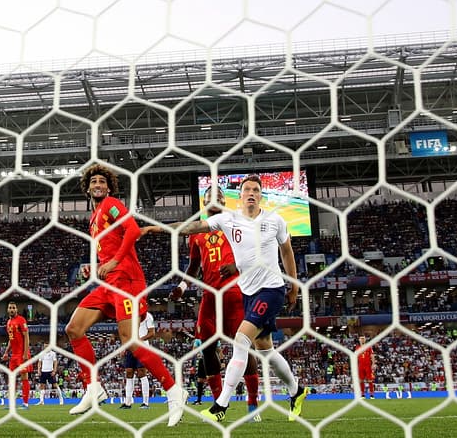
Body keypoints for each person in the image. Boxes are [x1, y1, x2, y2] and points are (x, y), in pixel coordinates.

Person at [179, 173, 308, 423]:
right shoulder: (230, 221)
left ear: (261, 195)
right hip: (248, 292)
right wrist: (161, 228)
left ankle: (221, 405)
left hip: (271, 289)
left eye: (255, 190)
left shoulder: (275, 220)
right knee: (266, 350)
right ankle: (296, 391)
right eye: (247, 189)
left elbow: (287, 252)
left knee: (240, 340)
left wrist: (293, 285)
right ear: (240, 196)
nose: (251, 193)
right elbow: (197, 229)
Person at [64, 163, 186, 425]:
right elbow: (109, 248)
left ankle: (175, 391)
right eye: (93, 182)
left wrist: (115, 262)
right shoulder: (94, 217)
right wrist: (96, 268)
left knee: (131, 342)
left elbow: (131, 229)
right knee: (73, 329)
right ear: (87, 188)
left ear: (108, 187)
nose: (98, 185)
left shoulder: (110, 203)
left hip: (127, 280)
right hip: (108, 284)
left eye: (102, 182)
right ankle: (93, 388)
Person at [170, 185, 260, 418]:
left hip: (234, 292)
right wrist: (181, 287)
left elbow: (254, 252)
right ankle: (220, 405)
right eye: (212, 196)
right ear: (204, 201)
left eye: (220, 196)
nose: (216, 199)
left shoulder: (236, 223)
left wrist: (238, 267)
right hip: (210, 296)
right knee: (207, 349)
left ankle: (253, 405)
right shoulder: (196, 233)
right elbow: (193, 267)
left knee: (243, 347)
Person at [120, 300, 155, 409]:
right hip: (131, 348)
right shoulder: (129, 317)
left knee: (141, 373)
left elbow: (152, 333)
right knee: (129, 372)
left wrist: (139, 339)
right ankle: (128, 402)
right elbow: (126, 334)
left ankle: (145, 402)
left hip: (143, 347)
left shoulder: (148, 316)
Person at [4, 302, 31, 408]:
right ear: (7, 309)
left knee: (24, 377)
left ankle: (25, 403)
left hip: (22, 354)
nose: (11, 309)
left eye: (13, 308)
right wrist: (6, 352)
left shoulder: (21, 320)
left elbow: (26, 336)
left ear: (17, 310)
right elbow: (11, 339)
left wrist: (25, 354)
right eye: (10, 307)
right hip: (14, 355)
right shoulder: (8, 322)